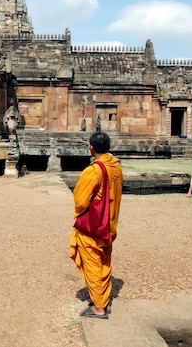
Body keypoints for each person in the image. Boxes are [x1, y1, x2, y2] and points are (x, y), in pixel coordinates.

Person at [70, 131, 123, 319]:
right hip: (109, 224)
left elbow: (80, 200)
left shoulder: (93, 171)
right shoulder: (116, 167)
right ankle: (104, 300)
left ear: (91, 148)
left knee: (92, 263)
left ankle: (99, 308)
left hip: (93, 227)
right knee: (104, 261)